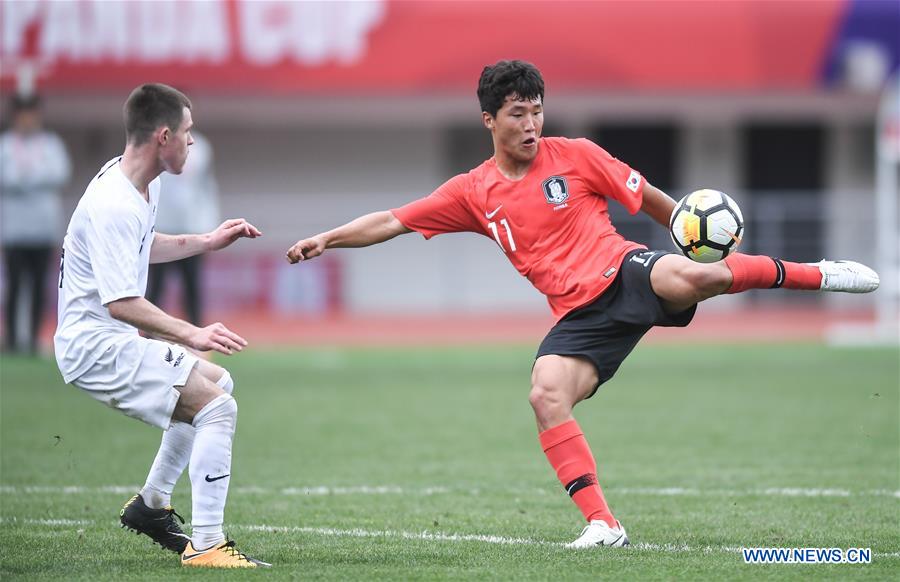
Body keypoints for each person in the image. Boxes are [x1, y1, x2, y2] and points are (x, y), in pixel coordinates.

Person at [285, 60, 880, 548]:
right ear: (489, 119)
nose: (531, 123)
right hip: (578, 317)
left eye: (537, 110)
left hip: (623, 271)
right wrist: (327, 238)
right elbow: (393, 219)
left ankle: (821, 273)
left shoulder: (576, 154)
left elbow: (652, 202)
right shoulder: (471, 192)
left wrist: (697, 228)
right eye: (518, 113)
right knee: (545, 392)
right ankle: (603, 523)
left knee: (689, 277)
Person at [54, 83, 268, 568]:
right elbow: (120, 303)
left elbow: (143, 246)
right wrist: (191, 333)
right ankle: (208, 547)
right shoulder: (115, 202)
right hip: (96, 348)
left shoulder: (137, 184)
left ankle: (151, 506)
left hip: (105, 340)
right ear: (164, 136)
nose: (193, 142)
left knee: (217, 384)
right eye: (188, 132)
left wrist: (207, 241)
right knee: (218, 410)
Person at [0, 93, 71, 354]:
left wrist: (23, 179)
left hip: (43, 229)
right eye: (23, 114)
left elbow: (61, 173)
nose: (28, 120)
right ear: (16, 117)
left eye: (32, 114)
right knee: (15, 285)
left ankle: (31, 340)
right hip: (15, 231)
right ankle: (11, 341)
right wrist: (36, 178)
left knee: (40, 286)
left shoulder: (51, 144)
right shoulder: (5, 145)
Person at [148, 130, 221, 326]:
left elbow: (207, 188)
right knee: (155, 288)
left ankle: (197, 333)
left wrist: (209, 228)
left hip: (192, 229)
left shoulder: (201, 147)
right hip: (161, 228)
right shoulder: (156, 144)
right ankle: (149, 335)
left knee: (192, 287)